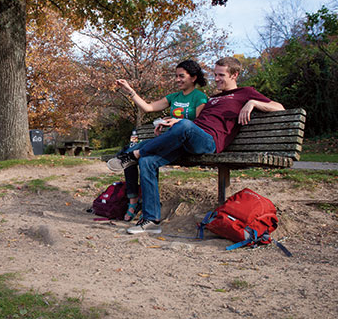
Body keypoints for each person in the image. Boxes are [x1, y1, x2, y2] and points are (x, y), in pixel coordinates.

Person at [108, 57, 285, 234]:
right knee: (148, 161)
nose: (216, 79)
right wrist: (172, 122)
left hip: (210, 142)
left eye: (221, 75)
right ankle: (151, 220)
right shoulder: (213, 99)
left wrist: (253, 103)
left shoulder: (245, 93)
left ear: (235, 74)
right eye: (215, 74)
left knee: (182, 126)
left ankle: (133, 155)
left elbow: (279, 107)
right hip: (190, 139)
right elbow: (194, 121)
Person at [113, 60, 209, 221]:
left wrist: (177, 121)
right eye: (176, 76)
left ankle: (145, 206)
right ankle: (133, 200)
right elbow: (148, 107)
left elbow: (198, 125)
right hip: (167, 141)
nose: (177, 79)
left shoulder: (199, 97)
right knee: (127, 153)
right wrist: (130, 91)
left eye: (181, 76)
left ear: (193, 78)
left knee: (134, 155)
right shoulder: (174, 97)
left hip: (184, 145)